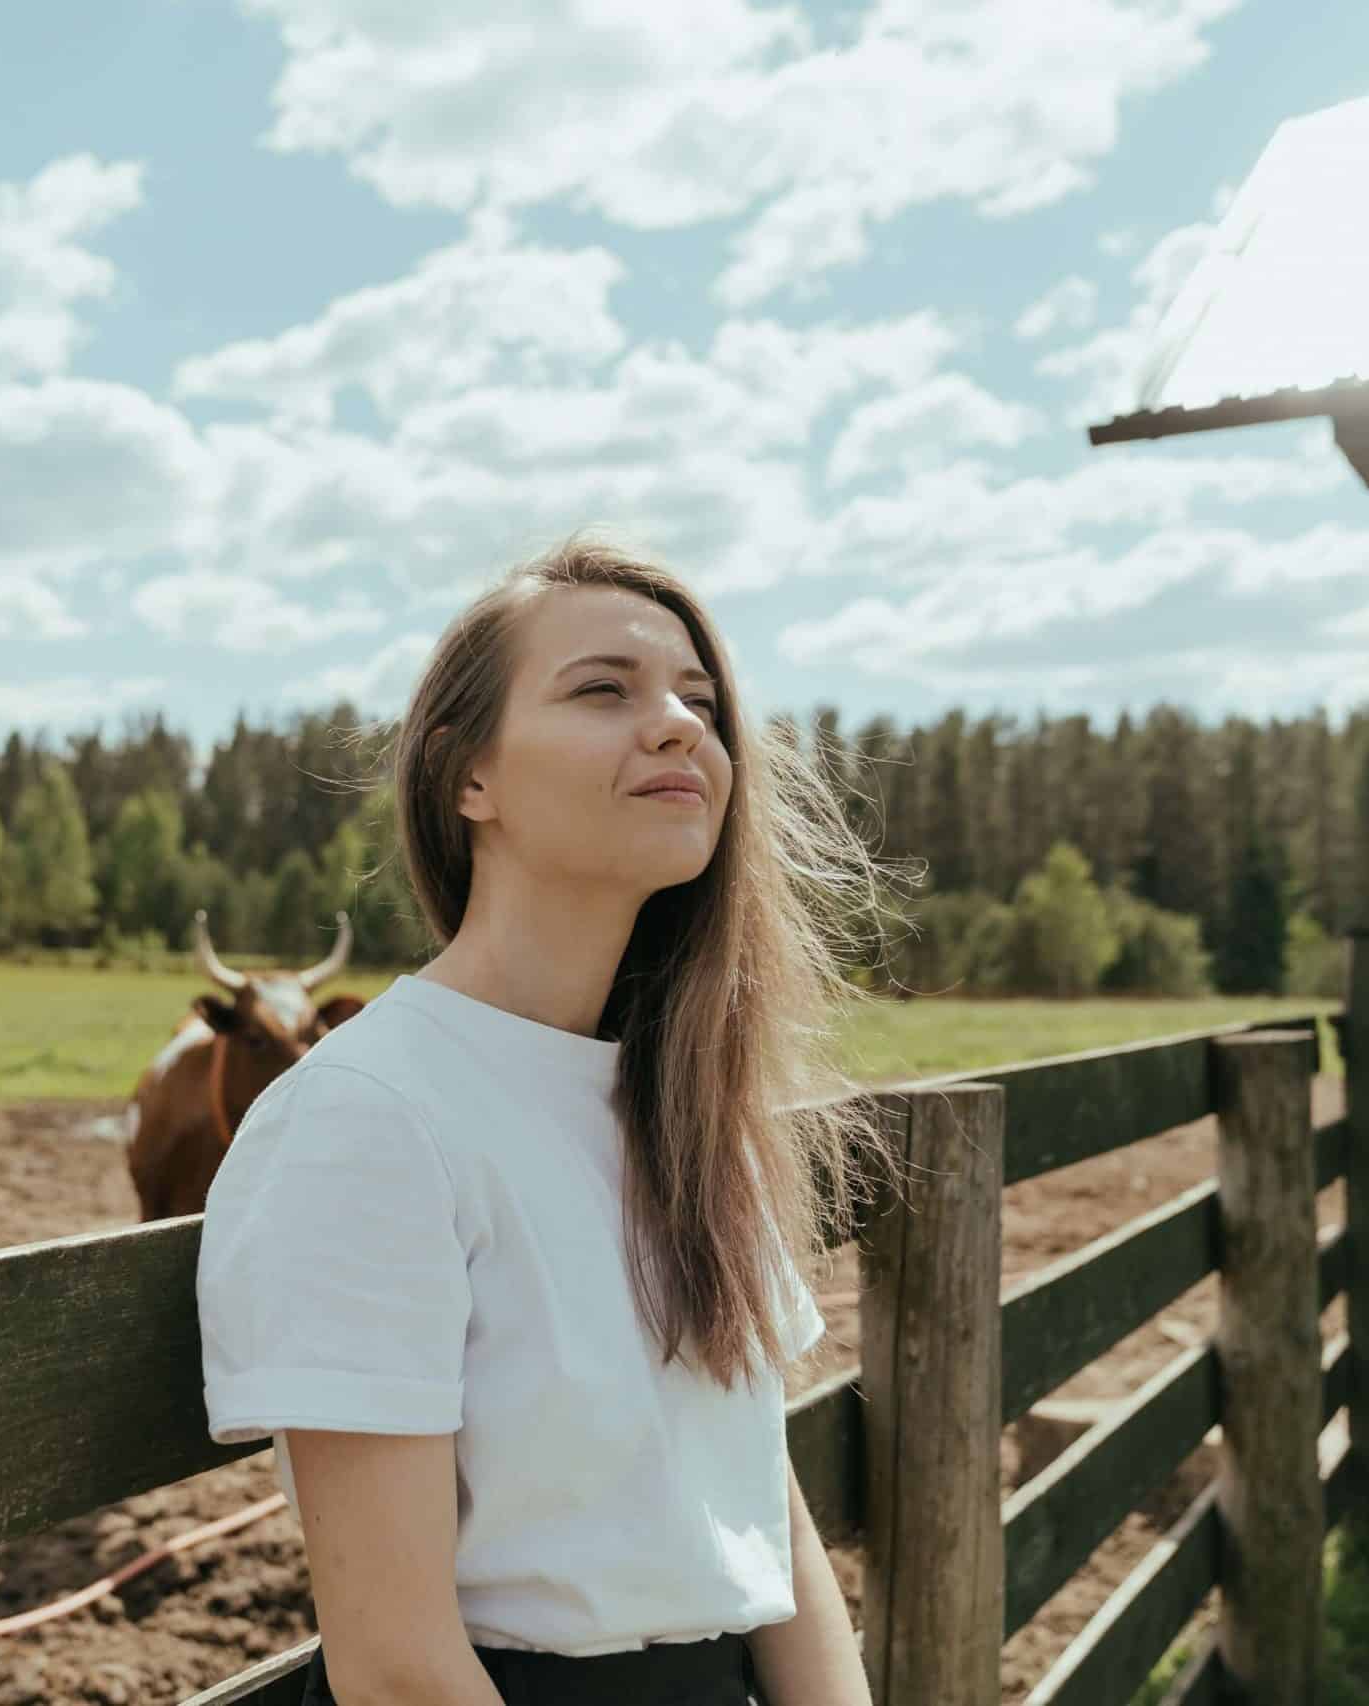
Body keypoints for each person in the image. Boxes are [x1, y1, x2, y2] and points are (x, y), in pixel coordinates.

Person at [196, 534, 901, 1705]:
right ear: (465, 776)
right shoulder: (368, 1119)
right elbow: (397, 1667)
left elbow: (751, 1508)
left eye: (701, 700)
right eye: (603, 689)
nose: (680, 724)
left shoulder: (687, 1112)